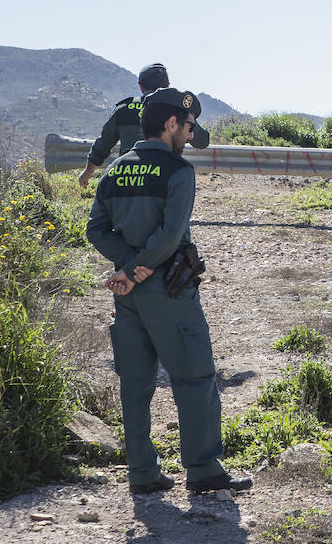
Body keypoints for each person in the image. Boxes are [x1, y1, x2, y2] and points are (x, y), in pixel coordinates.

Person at [85, 88, 250, 497]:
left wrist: (125, 266)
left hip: (126, 292)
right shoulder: (179, 172)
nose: (192, 134)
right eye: (189, 126)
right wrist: (139, 269)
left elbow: (96, 230)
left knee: (136, 383)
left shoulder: (115, 170)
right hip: (169, 290)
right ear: (171, 124)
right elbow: (170, 235)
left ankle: (142, 474)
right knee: (195, 377)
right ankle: (204, 470)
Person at [78, 63, 211, 187]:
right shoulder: (177, 110)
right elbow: (203, 141)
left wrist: (87, 173)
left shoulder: (123, 109)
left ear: (141, 86)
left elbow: (102, 145)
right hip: (164, 178)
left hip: (129, 179)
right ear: (168, 86)